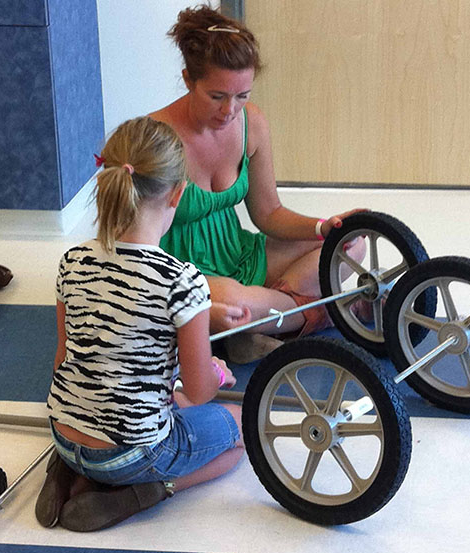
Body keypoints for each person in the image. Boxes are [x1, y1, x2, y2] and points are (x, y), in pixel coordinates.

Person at [35, 116, 243, 532]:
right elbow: (201, 391)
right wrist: (216, 371)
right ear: (178, 194)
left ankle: (64, 472)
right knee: (237, 436)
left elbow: (63, 359)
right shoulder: (181, 281)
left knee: (167, 400)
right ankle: (143, 494)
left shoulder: (72, 261)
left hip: (62, 432)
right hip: (127, 456)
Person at [151, 5, 367, 363]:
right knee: (232, 301)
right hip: (184, 273)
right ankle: (326, 310)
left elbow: (269, 213)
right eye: (217, 96)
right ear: (189, 79)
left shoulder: (253, 123)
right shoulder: (154, 137)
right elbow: (130, 244)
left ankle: (257, 323)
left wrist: (321, 228)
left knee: (352, 243)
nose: (230, 111)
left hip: (240, 254)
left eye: (242, 96)